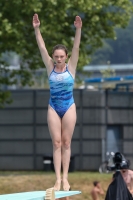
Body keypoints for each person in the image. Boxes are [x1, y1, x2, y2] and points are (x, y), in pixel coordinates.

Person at [32, 13, 82, 191]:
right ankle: (58, 179)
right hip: (53, 106)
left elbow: (76, 48)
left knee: (67, 142)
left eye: (62, 56)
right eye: (56, 56)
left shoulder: (71, 67)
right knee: (56, 143)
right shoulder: (50, 67)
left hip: (68, 106)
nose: (59, 59)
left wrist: (78, 30)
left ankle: (66, 178)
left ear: (66, 57)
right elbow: (42, 48)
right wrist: (37, 29)